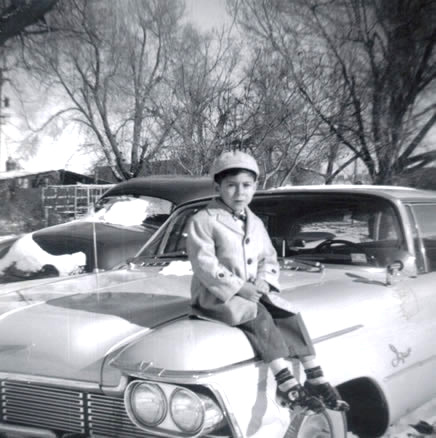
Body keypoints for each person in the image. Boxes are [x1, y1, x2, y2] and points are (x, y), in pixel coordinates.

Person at [186, 150, 348, 412]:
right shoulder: (203, 220)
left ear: (255, 187)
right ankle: (285, 381)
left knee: (287, 313)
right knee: (257, 315)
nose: (239, 193)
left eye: (246, 186)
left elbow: (268, 258)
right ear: (217, 186)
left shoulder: (256, 222)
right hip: (216, 296)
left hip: (253, 291)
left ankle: (316, 376)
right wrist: (239, 287)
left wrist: (264, 281)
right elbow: (204, 264)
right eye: (231, 185)